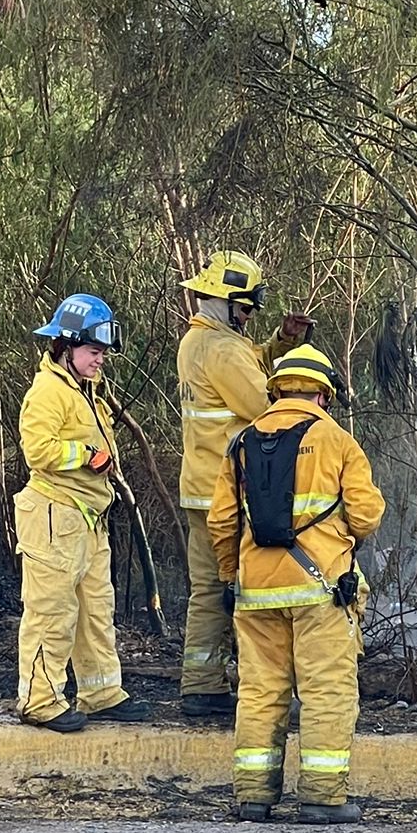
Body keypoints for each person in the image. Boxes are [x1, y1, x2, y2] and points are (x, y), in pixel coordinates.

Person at [209, 343, 385, 823]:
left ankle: (253, 797)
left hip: (256, 592)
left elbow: (221, 521)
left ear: (277, 390)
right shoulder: (337, 440)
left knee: (260, 692)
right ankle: (322, 798)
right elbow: (367, 515)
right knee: (326, 691)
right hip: (320, 591)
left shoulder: (242, 443)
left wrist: (230, 574)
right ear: (324, 394)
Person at [177, 250, 313, 718]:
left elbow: (246, 363)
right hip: (231, 493)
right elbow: (264, 405)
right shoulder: (223, 348)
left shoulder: (198, 341)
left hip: (199, 488)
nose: (250, 315)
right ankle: (264, 691)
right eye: (248, 307)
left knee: (207, 590)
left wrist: (281, 342)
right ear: (228, 301)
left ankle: (201, 685)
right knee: (253, 590)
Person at [14, 293, 150, 732]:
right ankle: (39, 701)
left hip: (87, 517)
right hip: (54, 514)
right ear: (66, 346)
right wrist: (87, 455)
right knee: (51, 613)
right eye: (94, 351)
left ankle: (101, 693)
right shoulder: (48, 391)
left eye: (103, 352)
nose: (100, 359)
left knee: (95, 611)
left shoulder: (86, 390)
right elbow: (38, 451)